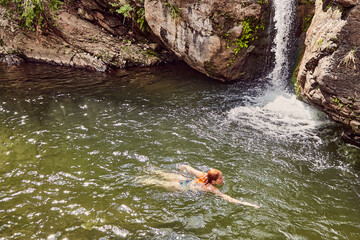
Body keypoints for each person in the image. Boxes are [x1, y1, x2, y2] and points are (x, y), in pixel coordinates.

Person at [137, 165, 260, 208]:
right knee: (155, 182)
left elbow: (188, 168)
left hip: (184, 180)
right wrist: (248, 204)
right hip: (184, 186)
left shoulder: (204, 175)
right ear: (214, 181)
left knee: (159, 174)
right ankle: (138, 179)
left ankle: (143, 170)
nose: (223, 179)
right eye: (220, 178)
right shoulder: (212, 188)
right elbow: (228, 198)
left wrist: (182, 167)